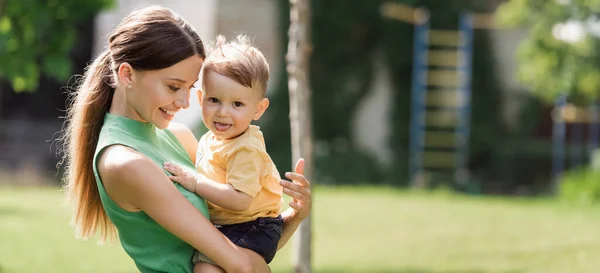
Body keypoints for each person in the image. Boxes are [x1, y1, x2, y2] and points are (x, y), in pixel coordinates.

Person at [60, 6, 311, 273]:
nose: (184, 102)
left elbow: (243, 243)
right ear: (127, 75)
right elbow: (242, 266)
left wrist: (293, 218)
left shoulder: (178, 136)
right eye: (173, 86)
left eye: (190, 87)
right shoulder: (124, 162)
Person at [162, 35, 283, 273]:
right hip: (231, 226)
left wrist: (195, 182)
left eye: (237, 104)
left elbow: (240, 200)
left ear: (258, 109)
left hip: (252, 227)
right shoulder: (212, 138)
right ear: (201, 98)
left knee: (206, 269)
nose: (223, 113)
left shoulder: (245, 148)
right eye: (214, 100)